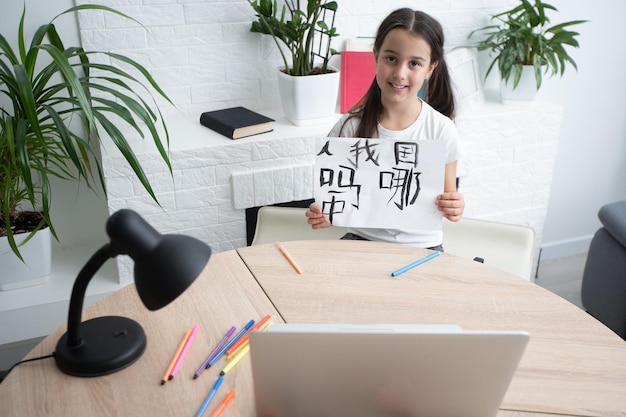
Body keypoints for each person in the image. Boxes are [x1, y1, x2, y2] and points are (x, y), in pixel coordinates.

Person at [306, 8, 465, 251]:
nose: (400, 73)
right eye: (391, 58)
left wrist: (454, 207)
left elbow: (447, 200)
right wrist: (325, 212)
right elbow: (333, 200)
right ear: (376, 56)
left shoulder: (442, 130)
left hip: (423, 246)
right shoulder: (350, 126)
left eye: (414, 63)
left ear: (430, 68)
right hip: (360, 242)